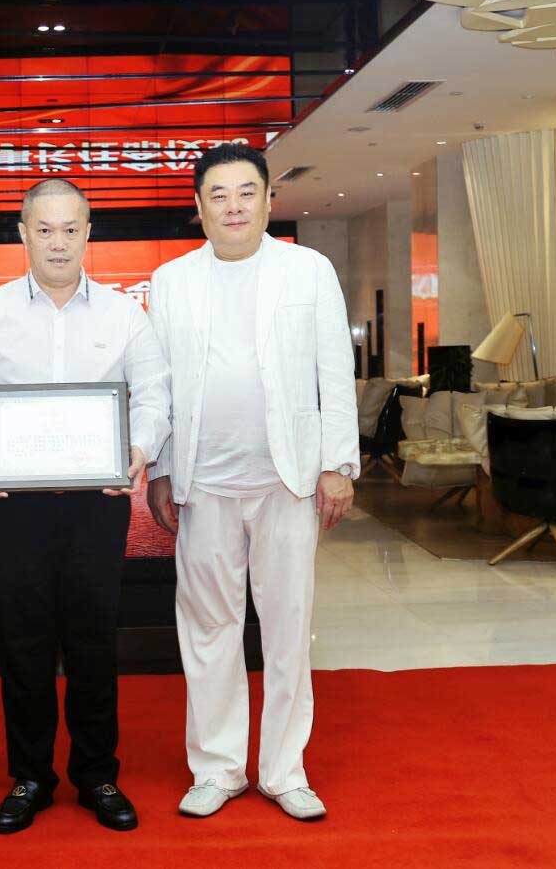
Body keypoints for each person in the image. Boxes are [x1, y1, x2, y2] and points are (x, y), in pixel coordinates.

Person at [0, 179, 170, 835]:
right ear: (23, 234)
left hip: (97, 504)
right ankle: (30, 777)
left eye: (71, 228)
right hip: (13, 508)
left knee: (94, 641)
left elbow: (154, 393)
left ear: (88, 233)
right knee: (23, 644)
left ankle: (97, 774)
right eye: (44, 229)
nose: (59, 242)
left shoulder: (125, 314)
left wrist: (138, 449)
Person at [145, 143, 358, 822]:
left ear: (269, 200)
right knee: (209, 629)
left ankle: (284, 769)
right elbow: (159, 386)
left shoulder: (307, 270)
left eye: (246, 192)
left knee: (288, 627)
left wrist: (337, 464)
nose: (233, 206)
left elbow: (334, 372)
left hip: (286, 480)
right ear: (199, 206)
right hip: (203, 481)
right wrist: (161, 468)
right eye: (218, 194)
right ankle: (217, 767)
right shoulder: (171, 281)